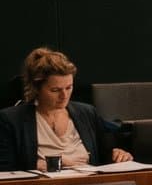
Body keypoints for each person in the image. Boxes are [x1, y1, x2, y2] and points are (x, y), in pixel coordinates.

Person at [0, 48, 129, 171]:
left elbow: (105, 153)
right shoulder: (12, 120)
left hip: (89, 184)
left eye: (69, 87)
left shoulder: (86, 113)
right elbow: (6, 168)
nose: (64, 96)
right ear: (36, 88)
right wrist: (58, 164)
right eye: (55, 90)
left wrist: (117, 154)